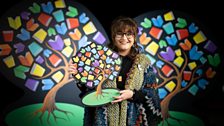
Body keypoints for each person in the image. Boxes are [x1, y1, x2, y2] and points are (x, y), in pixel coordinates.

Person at [69, 16, 162, 126]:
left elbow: (152, 93)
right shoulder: (99, 60)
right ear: (114, 36)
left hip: (134, 119)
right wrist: (78, 75)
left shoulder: (143, 62)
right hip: (103, 120)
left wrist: (133, 94)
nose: (124, 37)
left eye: (129, 34)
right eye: (119, 33)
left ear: (134, 37)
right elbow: (89, 88)